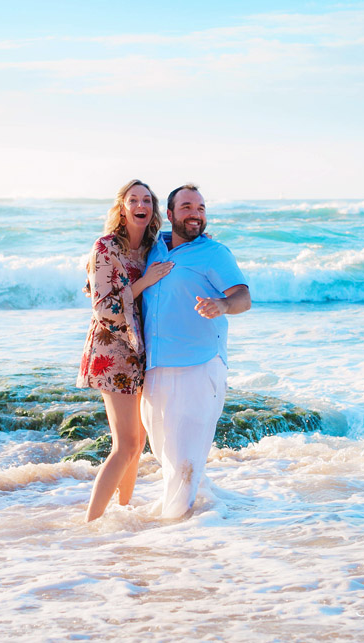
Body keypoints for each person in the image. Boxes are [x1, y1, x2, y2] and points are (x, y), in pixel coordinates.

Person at [140, 184, 251, 518]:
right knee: (165, 452)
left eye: (201, 208)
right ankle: (206, 515)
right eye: (187, 207)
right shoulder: (153, 247)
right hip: (156, 364)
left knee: (184, 456)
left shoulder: (214, 253)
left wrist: (222, 304)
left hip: (199, 364)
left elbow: (243, 298)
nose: (196, 214)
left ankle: (177, 534)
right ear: (170, 214)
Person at [77, 179, 174, 522]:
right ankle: (91, 522)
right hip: (113, 351)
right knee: (126, 444)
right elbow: (103, 307)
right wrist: (146, 282)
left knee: (139, 441)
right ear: (122, 208)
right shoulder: (105, 248)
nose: (140, 204)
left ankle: (122, 512)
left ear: (153, 209)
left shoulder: (153, 248)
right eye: (133, 199)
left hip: (144, 351)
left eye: (146, 199)